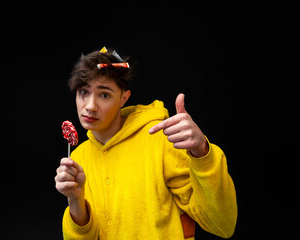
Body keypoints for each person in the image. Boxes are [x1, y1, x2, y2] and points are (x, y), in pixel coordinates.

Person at [55, 47, 237, 239]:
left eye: (104, 94)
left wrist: (202, 151)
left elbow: (222, 224)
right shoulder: (77, 158)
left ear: (123, 98)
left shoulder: (158, 140)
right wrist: (75, 200)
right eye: (84, 92)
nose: (90, 106)